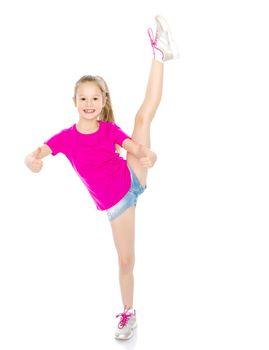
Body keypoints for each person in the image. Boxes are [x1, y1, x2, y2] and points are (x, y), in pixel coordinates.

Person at [24, 15, 179, 340]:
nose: (90, 104)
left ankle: (160, 54)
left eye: (96, 98)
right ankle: (130, 313)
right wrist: (31, 159)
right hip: (117, 206)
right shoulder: (66, 137)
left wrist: (145, 153)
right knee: (126, 261)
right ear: (75, 102)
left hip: (132, 177)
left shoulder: (107, 129)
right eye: (84, 99)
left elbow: (130, 144)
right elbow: (38, 151)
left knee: (143, 115)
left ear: (103, 101)